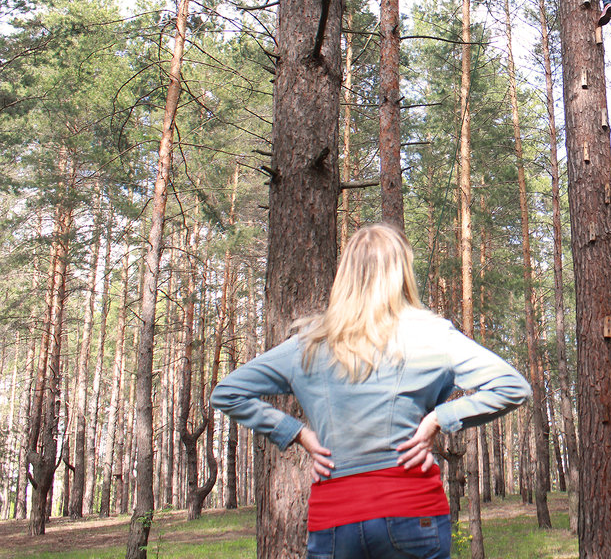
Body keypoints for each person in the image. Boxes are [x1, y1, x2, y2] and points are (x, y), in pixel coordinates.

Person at [211, 223, 531, 559]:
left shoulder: (307, 344)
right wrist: (438, 419)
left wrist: (298, 434)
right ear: (402, 272)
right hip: (413, 511)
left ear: (346, 276)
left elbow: (227, 392)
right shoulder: (433, 335)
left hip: (334, 520)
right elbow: (512, 386)